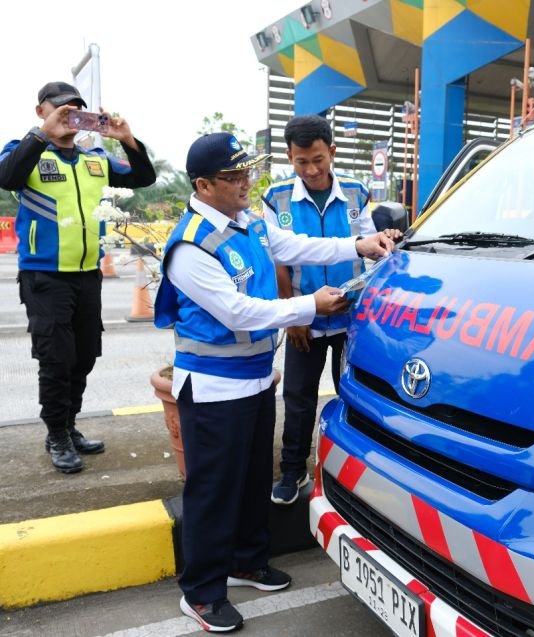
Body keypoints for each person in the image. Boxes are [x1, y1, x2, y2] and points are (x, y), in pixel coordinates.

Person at [154, 131, 395, 633]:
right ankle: (200, 591)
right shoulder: (191, 246)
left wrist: (359, 243)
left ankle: (246, 561)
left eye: (247, 172)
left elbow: (301, 245)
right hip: (214, 388)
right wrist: (310, 306)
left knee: (248, 483)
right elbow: (237, 310)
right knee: (213, 490)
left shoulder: (251, 223)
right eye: (233, 176)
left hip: (255, 381)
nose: (245, 183)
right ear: (202, 185)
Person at [0, 81, 156, 474]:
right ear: (41, 111)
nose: (70, 116)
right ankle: (56, 435)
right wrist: (42, 135)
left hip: (88, 276)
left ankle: (70, 426)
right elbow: (7, 176)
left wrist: (126, 138)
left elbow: (143, 178)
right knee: (55, 360)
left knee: (84, 356)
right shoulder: (25, 151)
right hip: (44, 277)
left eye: (76, 110)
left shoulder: (94, 160)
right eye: (61, 109)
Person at [262, 115, 401, 505]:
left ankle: (362, 474)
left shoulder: (357, 192)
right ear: (290, 157)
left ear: (332, 153)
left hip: (350, 319)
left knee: (355, 396)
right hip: (304, 319)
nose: (311, 169)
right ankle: (292, 471)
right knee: (299, 399)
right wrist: (293, 315)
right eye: (301, 161)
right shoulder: (277, 198)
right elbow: (280, 260)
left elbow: (367, 245)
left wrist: (385, 240)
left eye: (318, 160)